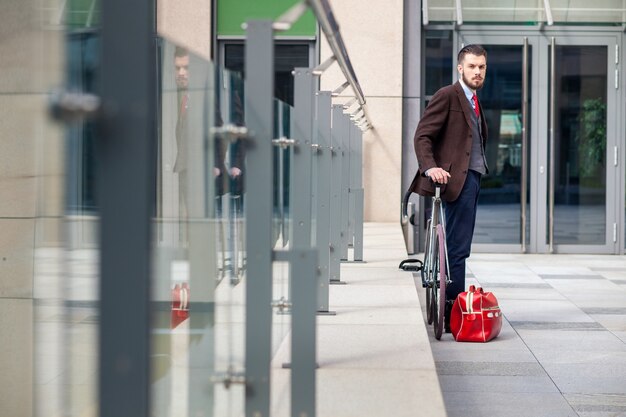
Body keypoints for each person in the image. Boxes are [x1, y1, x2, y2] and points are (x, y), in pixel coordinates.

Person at [409, 44, 489, 332]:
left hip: (474, 177)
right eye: (472, 66)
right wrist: (430, 167)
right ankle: (453, 310)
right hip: (455, 180)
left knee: (460, 245)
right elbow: (422, 135)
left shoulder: (475, 100)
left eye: (481, 66)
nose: (477, 71)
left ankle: (452, 303)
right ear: (460, 68)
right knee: (458, 248)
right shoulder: (448, 95)